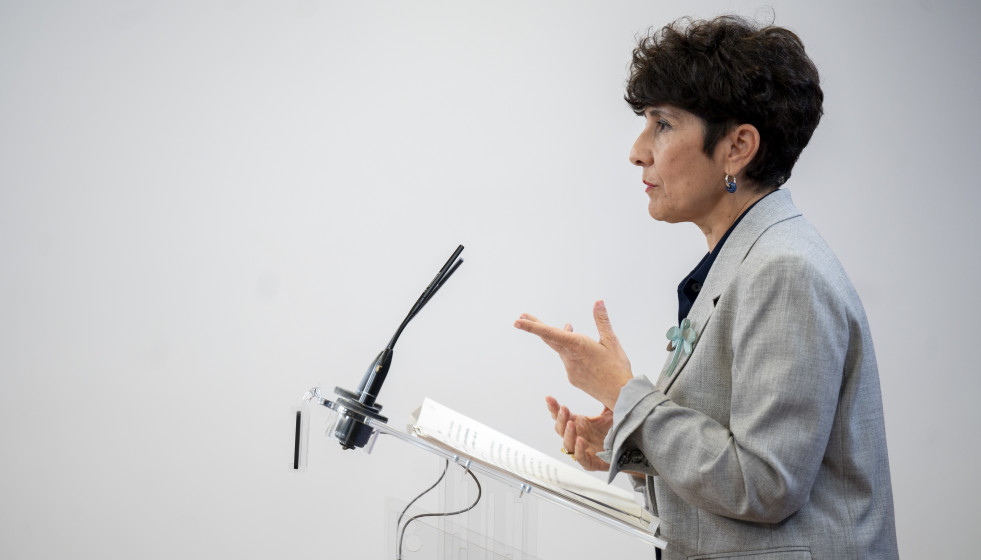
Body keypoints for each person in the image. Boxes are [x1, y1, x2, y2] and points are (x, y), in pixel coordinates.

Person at [513, 15, 899, 560]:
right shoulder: (746, 259)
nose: (638, 150)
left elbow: (766, 484)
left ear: (738, 147)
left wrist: (626, 395)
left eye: (663, 124)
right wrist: (628, 438)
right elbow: (736, 464)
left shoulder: (784, 271)